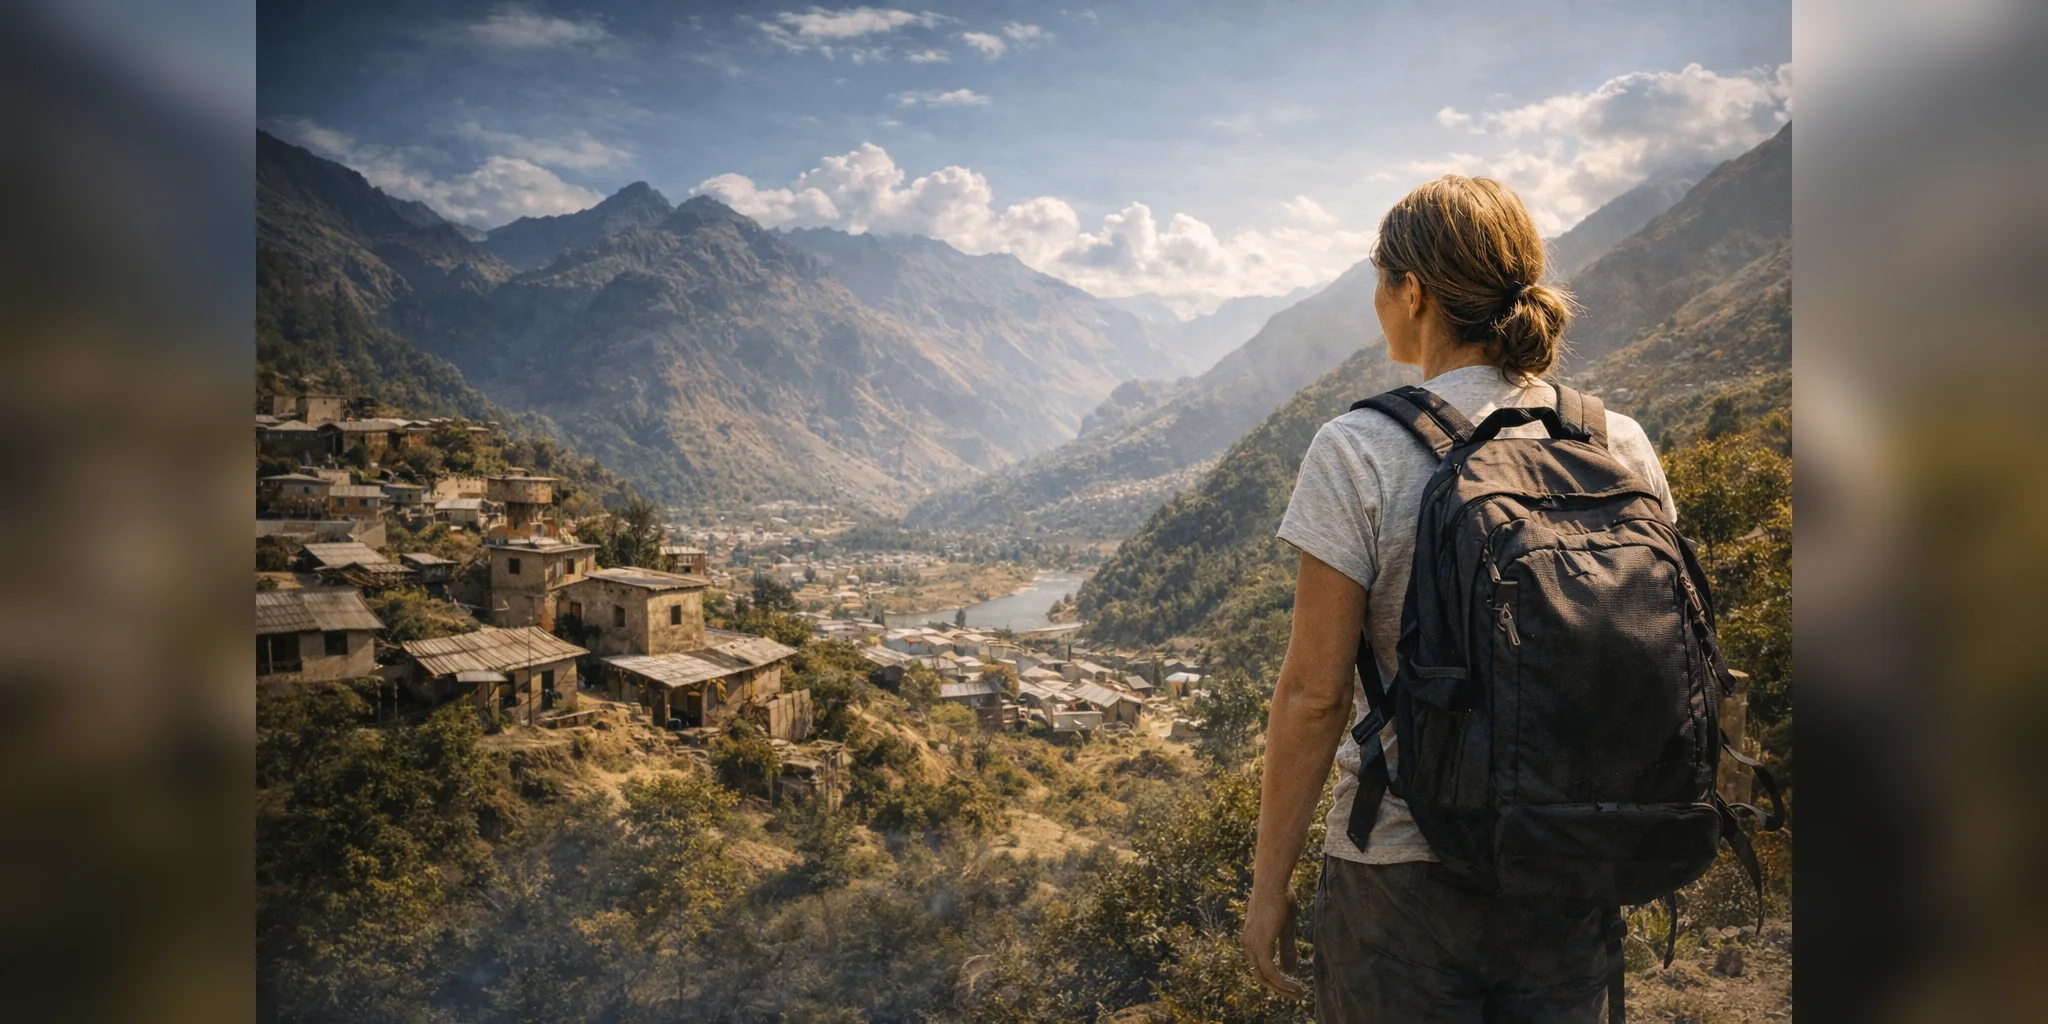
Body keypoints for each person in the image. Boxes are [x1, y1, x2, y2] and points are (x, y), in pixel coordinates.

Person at [1238, 175, 1679, 1022]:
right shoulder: (1615, 441)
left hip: (1401, 874)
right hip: (1570, 859)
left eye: (1379, 281)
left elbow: (1314, 694)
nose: (1376, 300)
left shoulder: (1359, 448)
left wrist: (1268, 891)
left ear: (1414, 292)